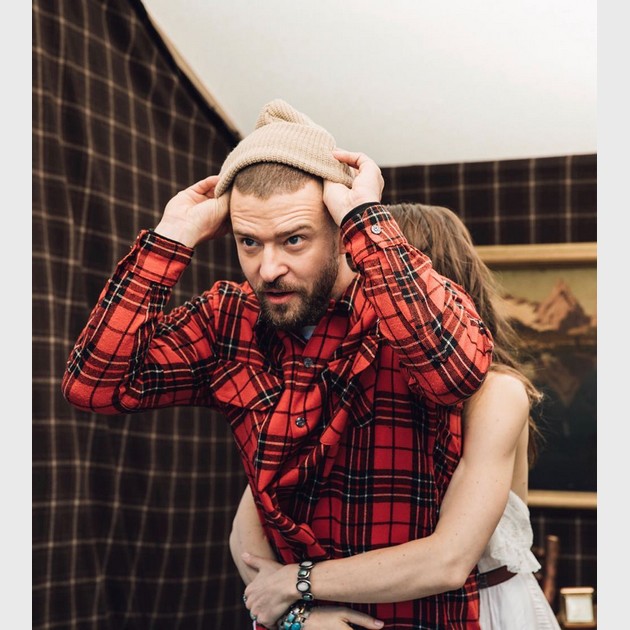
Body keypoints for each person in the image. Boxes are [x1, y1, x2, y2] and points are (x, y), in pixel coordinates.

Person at [62, 99, 495, 629]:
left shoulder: (403, 308)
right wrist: (173, 236)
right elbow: (95, 385)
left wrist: (364, 217)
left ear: (339, 229)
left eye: (294, 240)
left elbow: (456, 374)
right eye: (249, 242)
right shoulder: (227, 320)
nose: (268, 269)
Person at [230, 203, 562, 629]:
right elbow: (247, 532)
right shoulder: (342, 381)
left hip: (486, 611)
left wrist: (298, 582)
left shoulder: (495, 392)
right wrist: (298, 617)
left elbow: (448, 559)